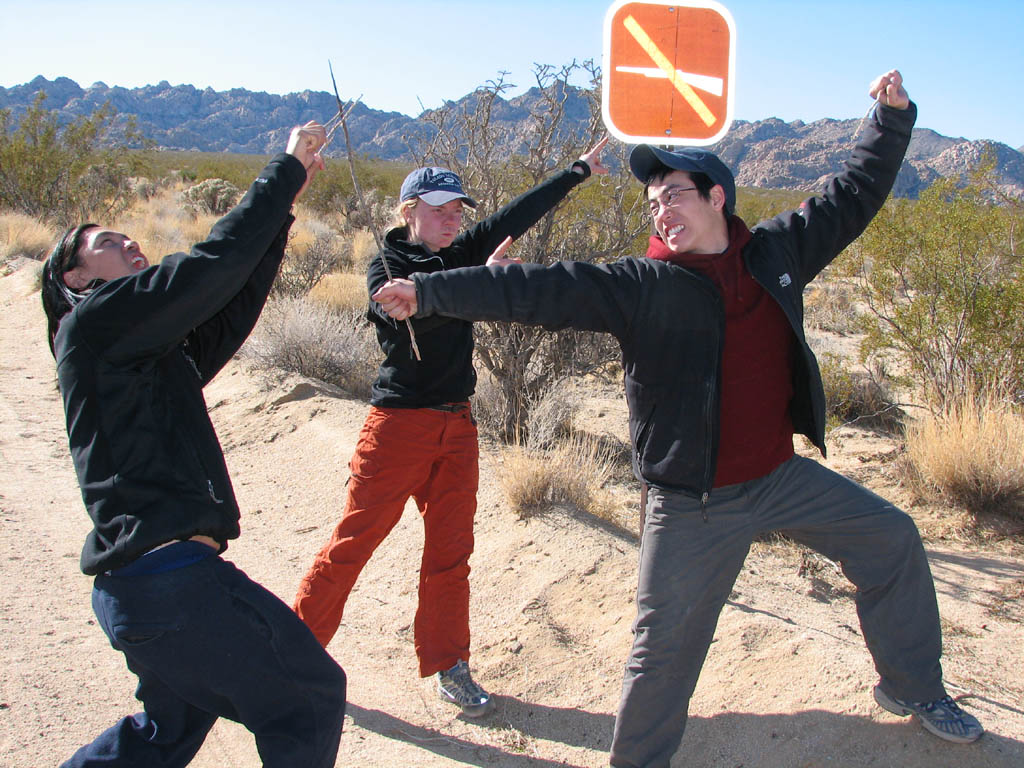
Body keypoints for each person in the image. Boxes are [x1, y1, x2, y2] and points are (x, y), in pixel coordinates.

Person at [371, 70, 985, 765]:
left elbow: (853, 196)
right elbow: (536, 288)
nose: (661, 211)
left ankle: (913, 686)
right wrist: (427, 292)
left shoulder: (776, 254)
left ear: (718, 196)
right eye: (653, 202)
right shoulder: (642, 286)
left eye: (674, 196)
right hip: (692, 501)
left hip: (778, 475)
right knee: (661, 656)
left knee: (892, 539)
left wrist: (892, 120)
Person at [42, 121, 348, 767]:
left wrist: (280, 215)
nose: (127, 240)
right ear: (73, 278)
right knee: (309, 696)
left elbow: (229, 306)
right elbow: (211, 265)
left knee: (166, 731)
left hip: (141, 592)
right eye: (104, 242)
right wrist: (283, 170)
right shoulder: (95, 322)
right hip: (170, 583)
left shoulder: (140, 356)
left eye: (125, 234)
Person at [292, 138, 608, 716]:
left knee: (450, 554)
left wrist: (575, 172)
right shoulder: (387, 268)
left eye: (457, 209)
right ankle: (290, 657)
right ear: (409, 209)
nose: (452, 219)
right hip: (398, 429)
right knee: (352, 545)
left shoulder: (461, 252)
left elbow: (514, 215)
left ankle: (448, 664)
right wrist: (473, 285)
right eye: (439, 209)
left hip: (458, 428)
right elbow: (408, 330)